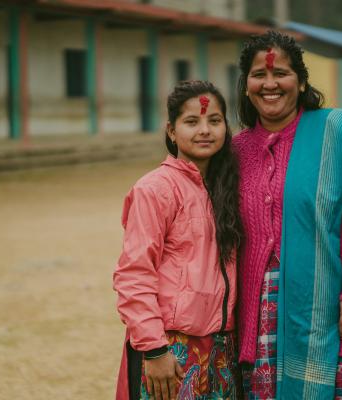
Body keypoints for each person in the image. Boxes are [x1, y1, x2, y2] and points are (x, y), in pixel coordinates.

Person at [233, 31, 342, 399]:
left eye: (281, 74)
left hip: (331, 306)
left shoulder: (335, 134)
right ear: (246, 86)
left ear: (301, 81)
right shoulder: (234, 151)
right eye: (259, 75)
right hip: (259, 319)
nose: (270, 84)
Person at [113, 80, 243, 400]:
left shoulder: (226, 188)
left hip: (221, 346)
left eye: (214, 121)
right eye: (192, 121)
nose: (205, 130)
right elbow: (134, 274)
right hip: (171, 347)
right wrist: (155, 350)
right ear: (171, 131)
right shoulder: (155, 189)